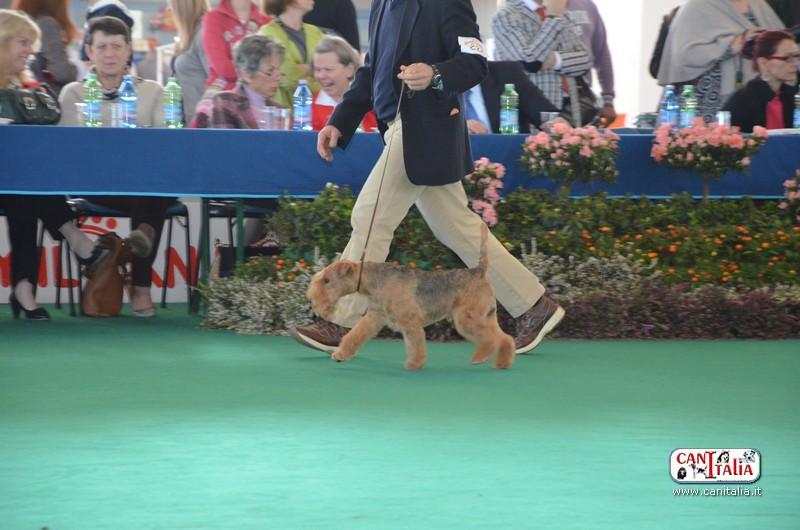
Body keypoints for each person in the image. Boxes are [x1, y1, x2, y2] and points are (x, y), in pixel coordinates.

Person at [290, 0, 565, 355]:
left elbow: (475, 63)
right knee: (458, 229)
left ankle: (340, 320)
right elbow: (371, 70)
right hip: (400, 130)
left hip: (421, 131)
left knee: (371, 218)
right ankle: (534, 306)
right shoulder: (382, 4)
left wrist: (435, 74)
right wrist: (339, 122)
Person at [0, 9, 130, 320]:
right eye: (22, 42)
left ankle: (24, 287)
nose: (30, 51)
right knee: (26, 186)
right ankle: (73, 238)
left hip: (16, 183)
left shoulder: (26, 89)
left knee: (25, 189)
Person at [58, 16, 171, 317]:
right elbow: (65, 152)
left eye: (116, 47)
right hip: (94, 182)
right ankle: (141, 271)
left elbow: (166, 143)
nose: (109, 54)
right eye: (102, 47)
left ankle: (140, 272)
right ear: (89, 52)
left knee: (155, 185)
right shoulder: (73, 93)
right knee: (150, 195)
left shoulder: (153, 91)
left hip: (141, 182)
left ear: (128, 51)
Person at [657, 0, 783, 123]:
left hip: (751, 97)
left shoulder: (759, 5)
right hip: (707, 102)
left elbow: (782, 42)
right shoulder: (696, 7)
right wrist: (731, 45)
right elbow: (684, 55)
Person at [492, 0, 593, 127]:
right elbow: (528, 61)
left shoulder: (561, 13)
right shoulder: (506, 15)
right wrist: (553, 18)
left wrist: (556, 60)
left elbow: (586, 59)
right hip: (534, 113)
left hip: (572, 106)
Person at [192, 33, 284, 128]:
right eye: (270, 71)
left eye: (279, 71)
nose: (278, 78)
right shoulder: (225, 102)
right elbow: (224, 137)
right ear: (247, 74)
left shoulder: (280, 111)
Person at [723, 30, 799, 131]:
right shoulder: (741, 102)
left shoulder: (792, 96)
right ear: (763, 63)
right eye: (787, 58)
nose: (796, 63)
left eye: (797, 56)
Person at [464, 60, 560, 134]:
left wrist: (556, 125)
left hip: (506, 152)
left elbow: (546, 114)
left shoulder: (507, 73)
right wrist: (459, 129)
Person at [259, 0, 323, 108]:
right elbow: (287, 77)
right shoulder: (268, 33)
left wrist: (305, 69)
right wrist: (315, 73)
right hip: (282, 110)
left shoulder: (315, 32)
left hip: (317, 112)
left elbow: (329, 70)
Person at [11, 0, 78, 95]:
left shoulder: (19, 25)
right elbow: (62, 72)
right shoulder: (46, 24)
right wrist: (76, 68)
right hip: (50, 97)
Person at [565, 0, 616, 125]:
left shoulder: (587, 5)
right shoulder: (536, 6)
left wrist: (608, 100)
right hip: (545, 96)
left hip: (582, 97)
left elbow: (602, 54)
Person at [310, 34, 375, 131]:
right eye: (317, 70)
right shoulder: (307, 108)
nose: (321, 76)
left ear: (350, 69)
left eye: (328, 69)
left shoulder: (371, 103)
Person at [202, 0, 270, 91]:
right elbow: (223, 68)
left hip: (260, 93)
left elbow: (272, 67)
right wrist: (259, 71)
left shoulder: (266, 20)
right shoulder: (213, 18)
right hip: (225, 93)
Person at [168, 0, 209, 124]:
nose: (169, 9)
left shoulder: (204, 32)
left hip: (204, 124)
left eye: (172, 5)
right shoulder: (191, 34)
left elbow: (216, 78)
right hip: (191, 123)